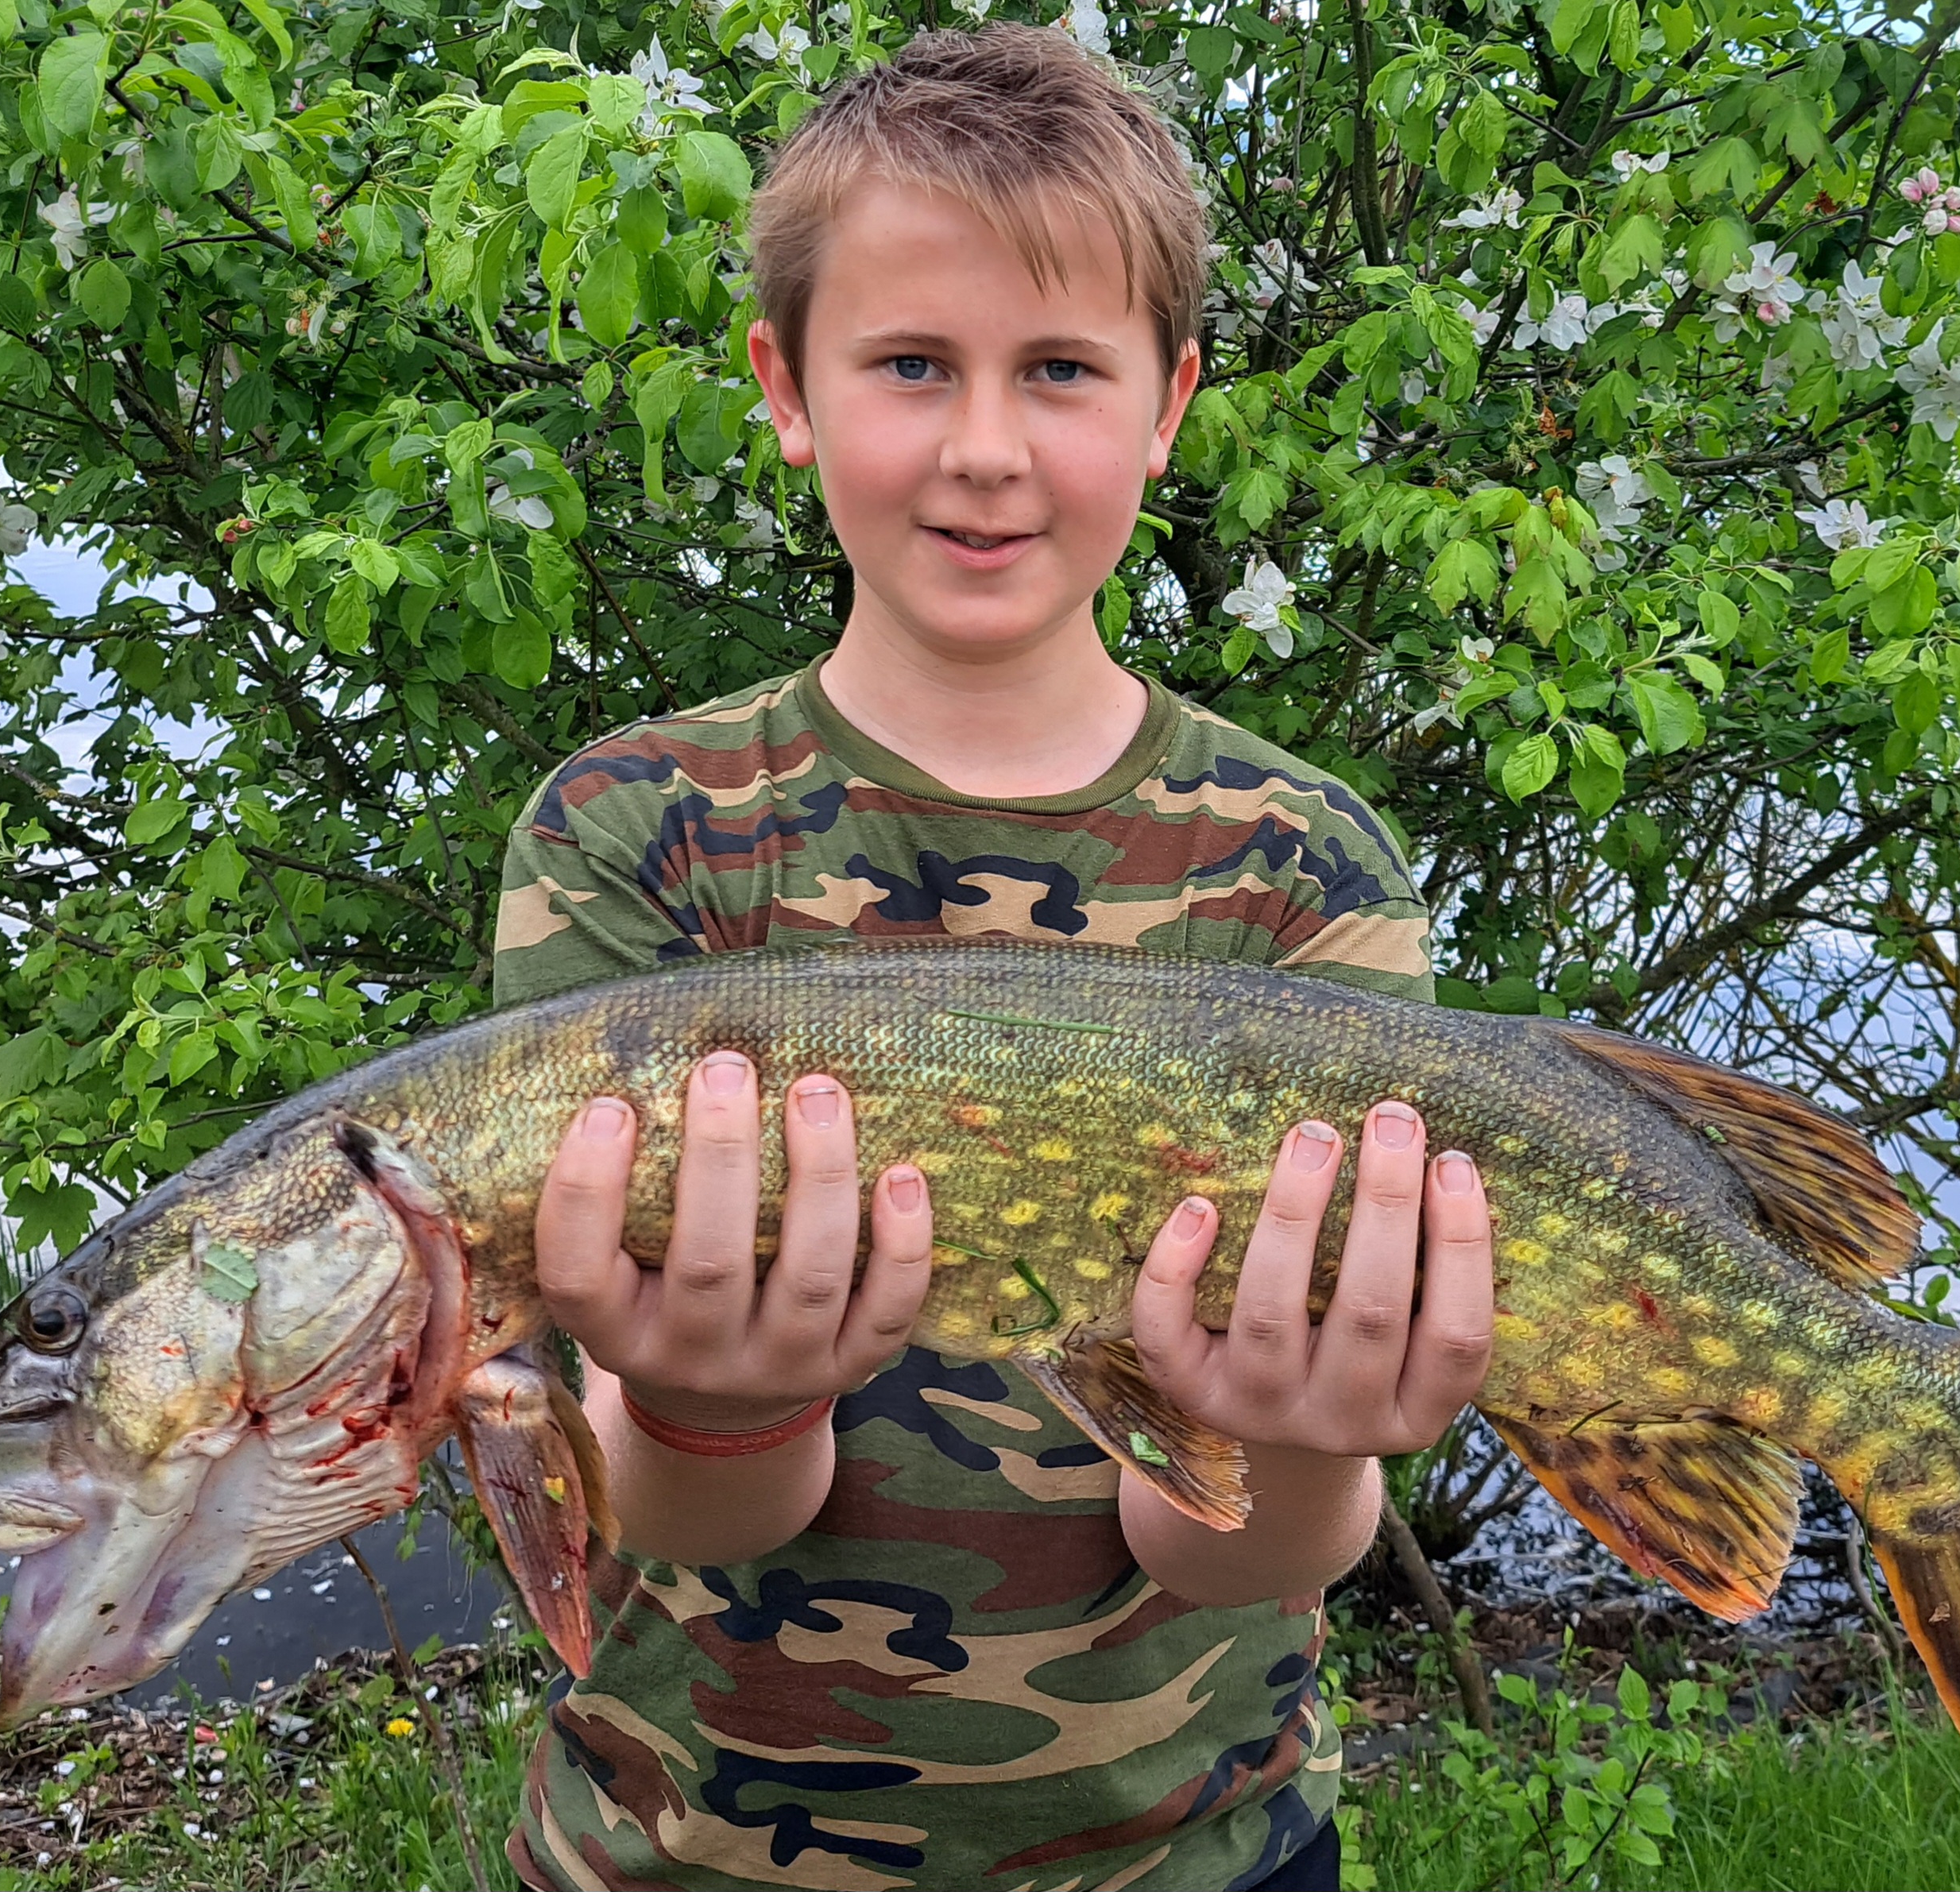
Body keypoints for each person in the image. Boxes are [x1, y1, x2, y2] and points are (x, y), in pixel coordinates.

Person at [489, 27, 1494, 1889]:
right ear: (783, 389)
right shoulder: (634, 833)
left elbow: (1232, 1541)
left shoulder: (1303, 863)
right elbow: (678, 1508)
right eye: (909, 364)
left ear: (1165, 406)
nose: (981, 447)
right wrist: (721, 1402)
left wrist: (1297, 1444)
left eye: (1056, 370)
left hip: (1193, 1851)